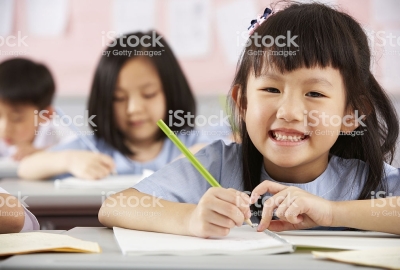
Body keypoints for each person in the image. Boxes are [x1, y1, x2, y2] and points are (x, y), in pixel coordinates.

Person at [98, 3, 400, 237]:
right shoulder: (216, 164)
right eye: (271, 89)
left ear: (351, 115)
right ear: (242, 102)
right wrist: (189, 218)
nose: (289, 112)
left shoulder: (367, 180)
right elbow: (115, 205)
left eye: (315, 94)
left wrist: (332, 213)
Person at [19, 31, 221, 180]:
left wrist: (205, 153)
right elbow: (26, 168)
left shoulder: (189, 142)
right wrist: (69, 160)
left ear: (172, 92)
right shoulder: (93, 148)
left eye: (148, 94)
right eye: (118, 98)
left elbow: (226, 151)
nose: (133, 108)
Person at [0, 58, 73, 161]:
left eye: (16, 118)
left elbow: (82, 150)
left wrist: (43, 152)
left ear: (46, 115)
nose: (4, 128)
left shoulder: (56, 134)